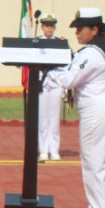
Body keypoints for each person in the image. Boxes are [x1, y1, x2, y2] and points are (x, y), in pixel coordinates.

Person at [49, 8, 105, 208]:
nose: (77, 33)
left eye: (81, 29)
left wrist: (48, 72)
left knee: (92, 163)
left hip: (96, 111)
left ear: (94, 29)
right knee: (101, 162)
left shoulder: (91, 53)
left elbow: (70, 79)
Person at [36, 13, 65, 161]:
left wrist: (64, 85)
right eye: (46, 25)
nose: (49, 28)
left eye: (51, 25)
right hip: (41, 83)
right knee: (42, 118)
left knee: (54, 118)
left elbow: (66, 65)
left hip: (55, 83)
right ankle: (43, 149)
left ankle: (53, 149)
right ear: (42, 27)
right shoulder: (36, 42)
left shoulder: (60, 43)